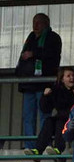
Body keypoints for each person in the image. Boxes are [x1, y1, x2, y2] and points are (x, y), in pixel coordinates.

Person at [15, 13, 62, 150]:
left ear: (46, 23)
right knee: (28, 116)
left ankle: (43, 144)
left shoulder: (53, 37)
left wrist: (33, 54)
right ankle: (29, 145)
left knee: (44, 114)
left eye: (39, 22)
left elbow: (53, 56)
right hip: (28, 84)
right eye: (34, 22)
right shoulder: (30, 37)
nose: (35, 25)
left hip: (43, 83)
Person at [24, 67, 74, 157]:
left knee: (61, 122)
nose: (72, 78)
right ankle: (38, 150)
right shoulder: (57, 90)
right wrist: (45, 96)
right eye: (68, 76)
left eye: (73, 75)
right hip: (61, 118)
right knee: (48, 121)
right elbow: (45, 108)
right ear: (62, 79)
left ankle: (58, 149)